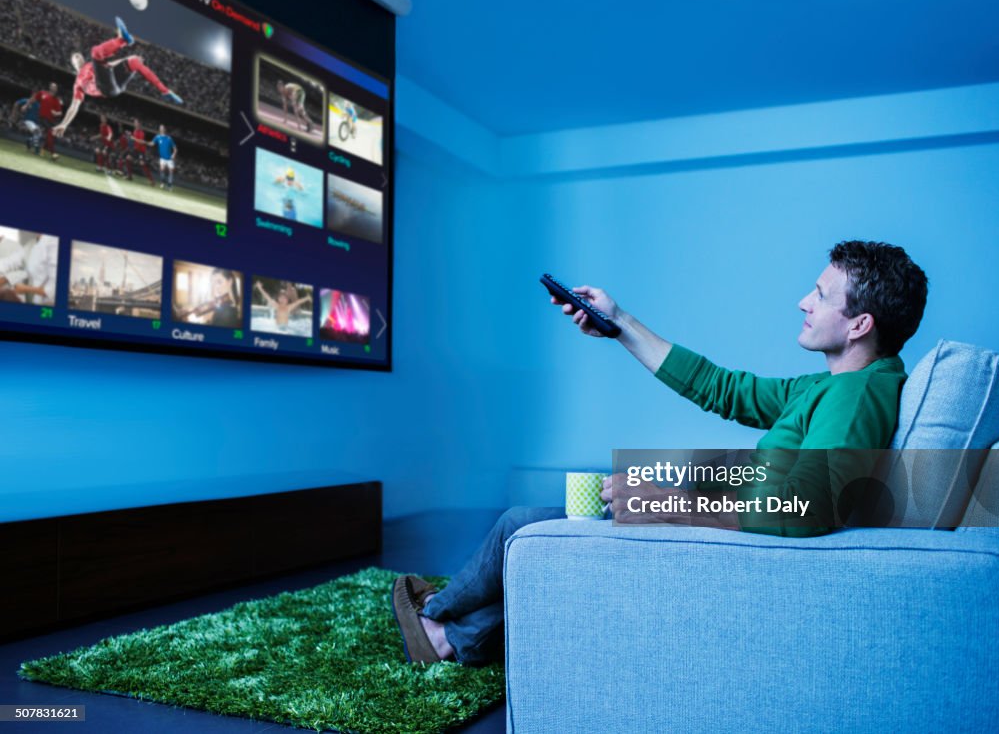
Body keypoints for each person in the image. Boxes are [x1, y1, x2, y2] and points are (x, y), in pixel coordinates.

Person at [391, 240, 929, 666]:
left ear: (860, 325)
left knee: (520, 524)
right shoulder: (833, 386)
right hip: (727, 533)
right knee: (543, 534)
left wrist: (665, 504)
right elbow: (724, 388)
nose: (803, 302)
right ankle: (451, 637)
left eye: (819, 294)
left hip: (736, 554)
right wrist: (620, 323)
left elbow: (810, 507)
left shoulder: (857, 397)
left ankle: (435, 617)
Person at [52, 17, 183, 139]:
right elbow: (74, 106)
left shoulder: (91, 65)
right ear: (73, 65)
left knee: (134, 61)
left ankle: (164, 91)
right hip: (104, 88)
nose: (79, 57)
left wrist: (128, 58)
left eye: (79, 55)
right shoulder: (78, 83)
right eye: (75, 57)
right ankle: (123, 40)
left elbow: (110, 65)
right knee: (95, 52)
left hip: (115, 85)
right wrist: (64, 124)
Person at [151, 125, 177, 190]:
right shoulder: (157, 137)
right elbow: (152, 143)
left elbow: (175, 149)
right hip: (162, 158)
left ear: (165, 129)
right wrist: (144, 142)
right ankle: (162, 183)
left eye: (162, 128)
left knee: (171, 172)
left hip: (169, 159)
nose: (161, 129)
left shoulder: (169, 138)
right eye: (160, 128)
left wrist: (174, 154)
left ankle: (169, 185)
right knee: (162, 169)